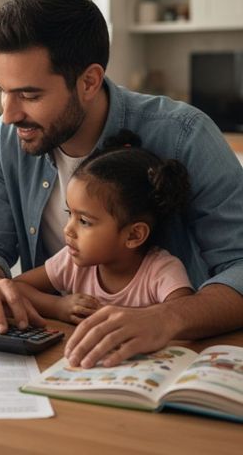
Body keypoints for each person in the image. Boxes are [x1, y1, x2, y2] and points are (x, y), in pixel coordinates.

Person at [0, 0, 243, 369]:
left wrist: (166, 317)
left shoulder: (184, 135)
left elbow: (238, 264)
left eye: (29, 95)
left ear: (88, 81)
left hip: (169, 360)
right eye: (2, 91)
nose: (8, 114)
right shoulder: (10, 137)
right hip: (58, 355)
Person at [14, 129, 193, 325]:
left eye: (84, 221)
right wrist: (57, 306)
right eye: (69, 214)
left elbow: (184, 317)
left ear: (134, 234)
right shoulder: (71, 262)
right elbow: (14, 289)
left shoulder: (161, 271)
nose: (68, 230)